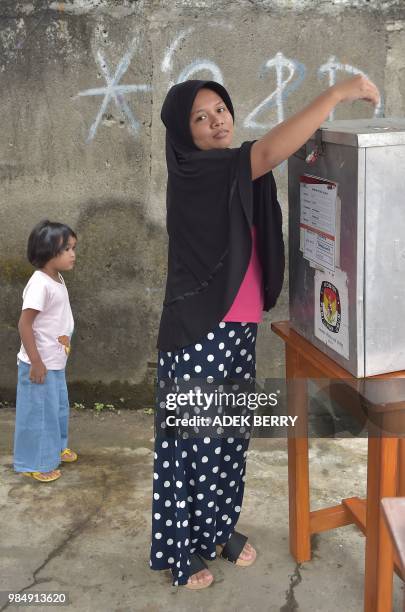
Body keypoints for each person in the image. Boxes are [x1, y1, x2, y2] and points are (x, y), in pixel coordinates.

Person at [150, 75, 380, 589]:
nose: (217, 121)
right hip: (199, 335)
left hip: (237, 329)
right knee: (192, 445)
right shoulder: (198, 170)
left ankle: (216, 528)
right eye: (200, 118)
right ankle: (180, 550)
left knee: (230, 438)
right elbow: (272, 149)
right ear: (182, 133)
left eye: (220, 109)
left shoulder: (230, 171)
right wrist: (337, 94)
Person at [13, 220, 78, 483]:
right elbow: (24, 324)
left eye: (74, 248)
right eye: (67, 249)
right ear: (48, 252)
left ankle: (55, 448)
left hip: (54, 361)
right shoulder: (40, 283)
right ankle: (34, 462)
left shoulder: (55, 278)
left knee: (57, 408)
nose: (73, 254)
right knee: (38, 413)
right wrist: (36, 362)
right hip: (38, 365)